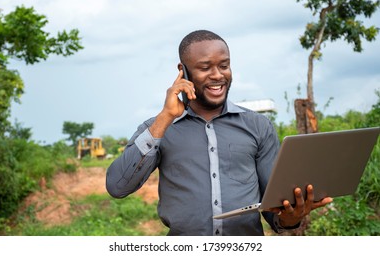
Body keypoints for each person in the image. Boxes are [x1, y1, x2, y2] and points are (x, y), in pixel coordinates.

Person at [106, 30, 333, 236]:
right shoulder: (159, 127)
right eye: (205, 68)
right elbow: (118, 187)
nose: (217, 75)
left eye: (224, 66)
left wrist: (290, 218)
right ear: (183, 71)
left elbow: (274, 210)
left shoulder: (258, 126)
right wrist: (166, 117)